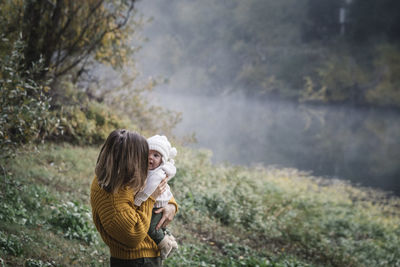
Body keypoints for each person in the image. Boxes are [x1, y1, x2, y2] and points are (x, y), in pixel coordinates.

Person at [90, 129, 178, 267]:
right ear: (128, 159)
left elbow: (156, 186)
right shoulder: (112, 196)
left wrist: (171, 205)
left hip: (145, 255)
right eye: (142, 156)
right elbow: (134, 235)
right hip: (136, 260)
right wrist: (151, 198)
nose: (146, 161)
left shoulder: (124, 175)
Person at [134, 135, 179, 260]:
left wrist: (137, 201)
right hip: (156, 204)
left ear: (162, 160)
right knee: (159, 226)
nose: (150, 157)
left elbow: (147, 191)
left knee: (152, 228)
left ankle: (165, 245)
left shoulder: (157, 175)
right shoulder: (147, 170)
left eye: (156, 155)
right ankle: (169, 239)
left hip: (156, 207)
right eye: (148, 153)